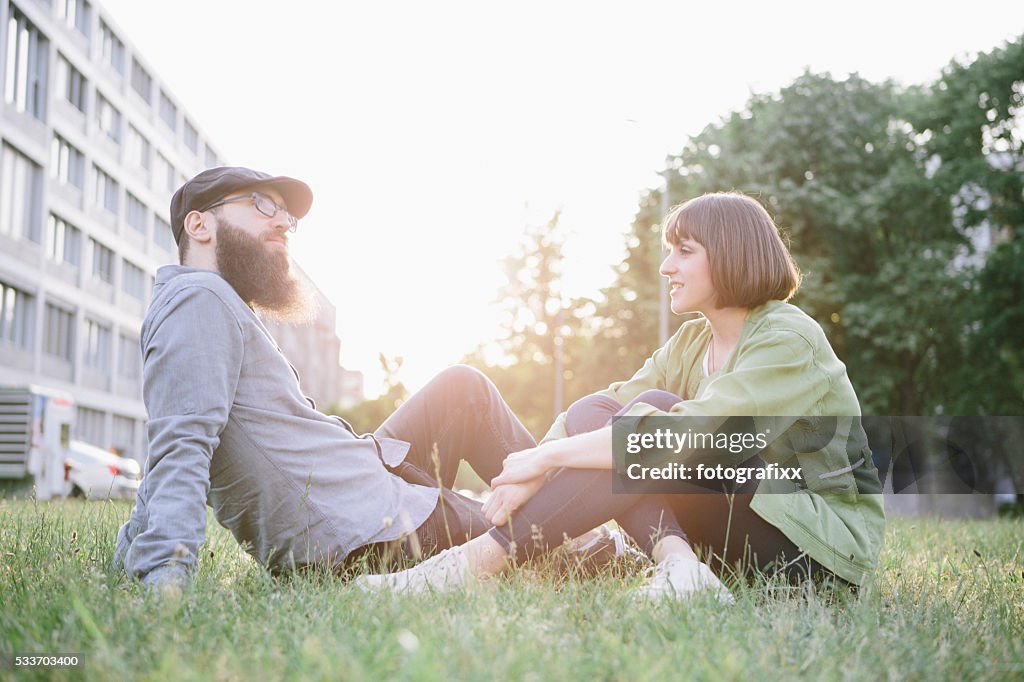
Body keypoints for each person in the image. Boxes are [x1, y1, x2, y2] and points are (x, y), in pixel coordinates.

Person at [114, 166, 676, 594]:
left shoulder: (213, 305)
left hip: (361, 492)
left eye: (287, 213)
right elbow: (182, 443)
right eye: (263, 205)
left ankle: (580, 531)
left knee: (463, 387)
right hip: (368, 535)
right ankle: (602, 551)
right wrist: (162, 575)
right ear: (200, 224)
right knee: (563, 494)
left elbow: (169, 432)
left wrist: (126, 553)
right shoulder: (199, 296)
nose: (284, 221)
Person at [357, 192, 885, 599]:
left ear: (728, 255)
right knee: (600, 411)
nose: (666, 267)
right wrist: (533, 471)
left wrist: (543, 458)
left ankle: (473, 563)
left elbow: (690, 436)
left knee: (653, 420)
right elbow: (601, 412)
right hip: (733, 530)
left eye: (683, 251)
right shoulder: (693, 340)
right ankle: (680, 568)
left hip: (813, 552)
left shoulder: (787, 338)